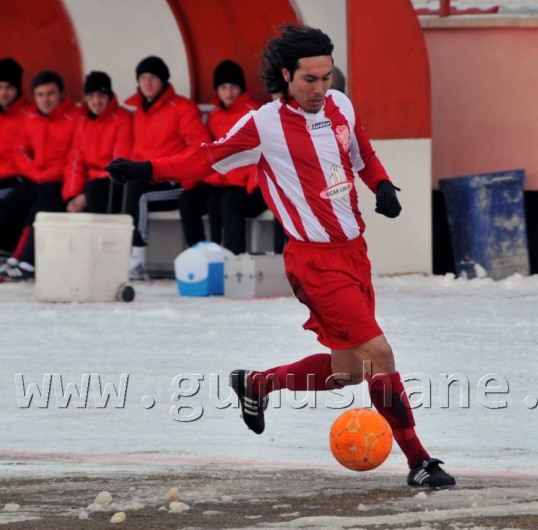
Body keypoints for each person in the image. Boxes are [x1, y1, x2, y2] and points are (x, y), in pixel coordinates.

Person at [106, 24, 455, 488]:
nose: (320, 88)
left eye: (327, 77)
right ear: (286, 76)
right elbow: (205, 158)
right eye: (309, 79)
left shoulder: (341, 106)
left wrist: (383, 185)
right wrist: (147, 169)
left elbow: (362, 154)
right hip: (314, 262)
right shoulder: (263, 124)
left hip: (354, 254)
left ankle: (256, 384)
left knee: (350, 370)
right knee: (379, 354)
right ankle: (419, 459)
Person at [123, 56, 210, 279]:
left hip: (176, 182)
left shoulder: (182, 108)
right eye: (142, 78)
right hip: (149, 180)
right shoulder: (140, 111)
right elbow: (137, 151)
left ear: (163, 81)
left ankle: (137, 260)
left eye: (153, 77)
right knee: (124, 188)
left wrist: (187, 178)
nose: (147, 83)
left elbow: (199, 144)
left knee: (138, 194)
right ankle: (119, 257)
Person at [177, 59, 266, 254]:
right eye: (223, 87)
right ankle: (200, 255)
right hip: (223, 181)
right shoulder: (215, 116)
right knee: (188, 200)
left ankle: (232, 258)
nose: (228, 92)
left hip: (251, 185)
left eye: (233, 86)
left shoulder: (254, 113)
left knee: (226, 202)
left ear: (241, 87)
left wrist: (251, 184)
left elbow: (260, 152)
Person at [0, 71, 78, 282]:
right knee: (9, 206)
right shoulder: (31, 117)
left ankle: (25, 262)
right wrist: (34, 172)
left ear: (61, 94)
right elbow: (21, 149)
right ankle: (11, 257)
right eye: (40, 94)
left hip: (61, 183)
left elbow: (76, 156)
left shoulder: (75, 118)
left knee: (39, 211)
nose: (45, 99)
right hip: (34, 179)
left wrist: (47, 175)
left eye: (50, 93)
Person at [63, 71, 132, 214]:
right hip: (91, 185)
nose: (96, 101)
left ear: (109, 96)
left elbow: (120, 162)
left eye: (101, 95)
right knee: (62, 204)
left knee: (93, 191)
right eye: (91, 96)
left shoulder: (122, 118)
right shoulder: (83, 123)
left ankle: (106, 235)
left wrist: (86, 196)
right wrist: (72, 196)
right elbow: (76, 162)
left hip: (115, 183)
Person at [0, 58, 34, 256]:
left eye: (9, 87)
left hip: (16, 181)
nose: (4, 92)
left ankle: (7, 250)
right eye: (0, 87)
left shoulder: (30, 114)